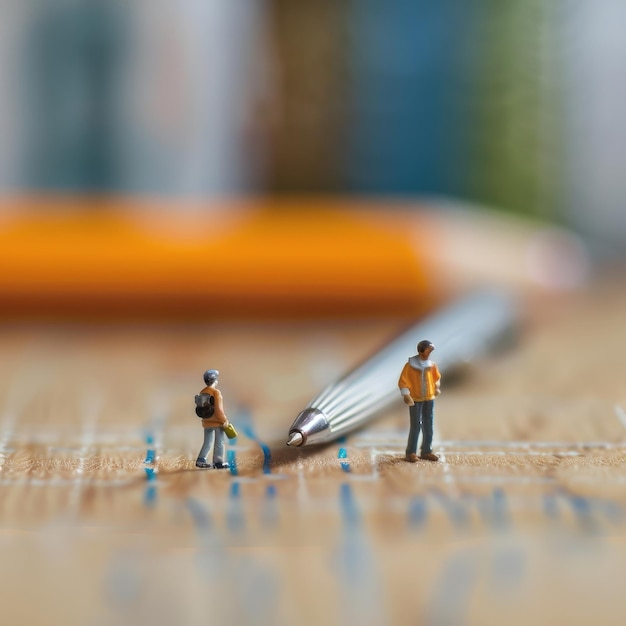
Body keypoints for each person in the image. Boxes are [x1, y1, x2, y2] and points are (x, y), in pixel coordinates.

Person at [398, 339, 441, 462]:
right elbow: (403, 381)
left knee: (429, 425)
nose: (429, 354)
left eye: (430, 351)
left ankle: (427, 451)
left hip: (429, 398)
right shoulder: (410, 366)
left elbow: (436, 378)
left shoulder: (431, 365)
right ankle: (411, 452)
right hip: (415, 399)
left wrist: (437, 387)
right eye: (427, 351)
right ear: (421, 351)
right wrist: (406, 395)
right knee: (416, 426)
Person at [195, 369, 230, 469]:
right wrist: (224, 420)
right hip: (217, 422)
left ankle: (201, 460)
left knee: (207, 443)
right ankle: (218, 462)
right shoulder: (216, 392)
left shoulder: (202, 392)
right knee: (219, 443)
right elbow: (218, 409)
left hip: (206, 421)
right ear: (215, 380)